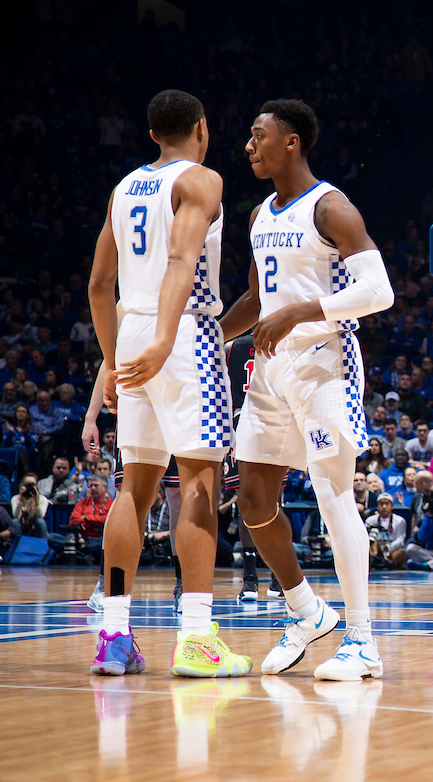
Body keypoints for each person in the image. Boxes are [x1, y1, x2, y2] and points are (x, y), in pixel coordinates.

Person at [220, 98, 393, 681]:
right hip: (270, 368)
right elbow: (256, 300)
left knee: (332, 493)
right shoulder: (259, 214)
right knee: (252, 499)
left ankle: (362, 640)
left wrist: (300, 311)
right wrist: (209, 339)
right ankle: (307, 611)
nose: (249, 146)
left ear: (291, 142)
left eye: (259, 135)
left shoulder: (331, 207)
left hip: (325, 362)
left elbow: (379, 292)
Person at [87, 89, 248, 678]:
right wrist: (165, 339)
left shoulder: (124, 188)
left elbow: (99, 285)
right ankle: (197, 638)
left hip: (130, 333)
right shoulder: (202, 180)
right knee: (200, 483)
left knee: (134, 487)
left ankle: (114, 637)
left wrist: (113, 360)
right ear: (201, 128)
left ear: (153, 133)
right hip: (183, 335)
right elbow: (182, 261)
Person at [364, 493, 406, 567]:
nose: (384, 507)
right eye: (381, 504)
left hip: (392, 550)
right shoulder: (370, 520)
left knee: (401, 553)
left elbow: (400, 540)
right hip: (375, 549)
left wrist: (387, 547)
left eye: (387, 504)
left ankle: (388, 562)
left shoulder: (400, 520)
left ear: (392, 506)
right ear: (377, 506)